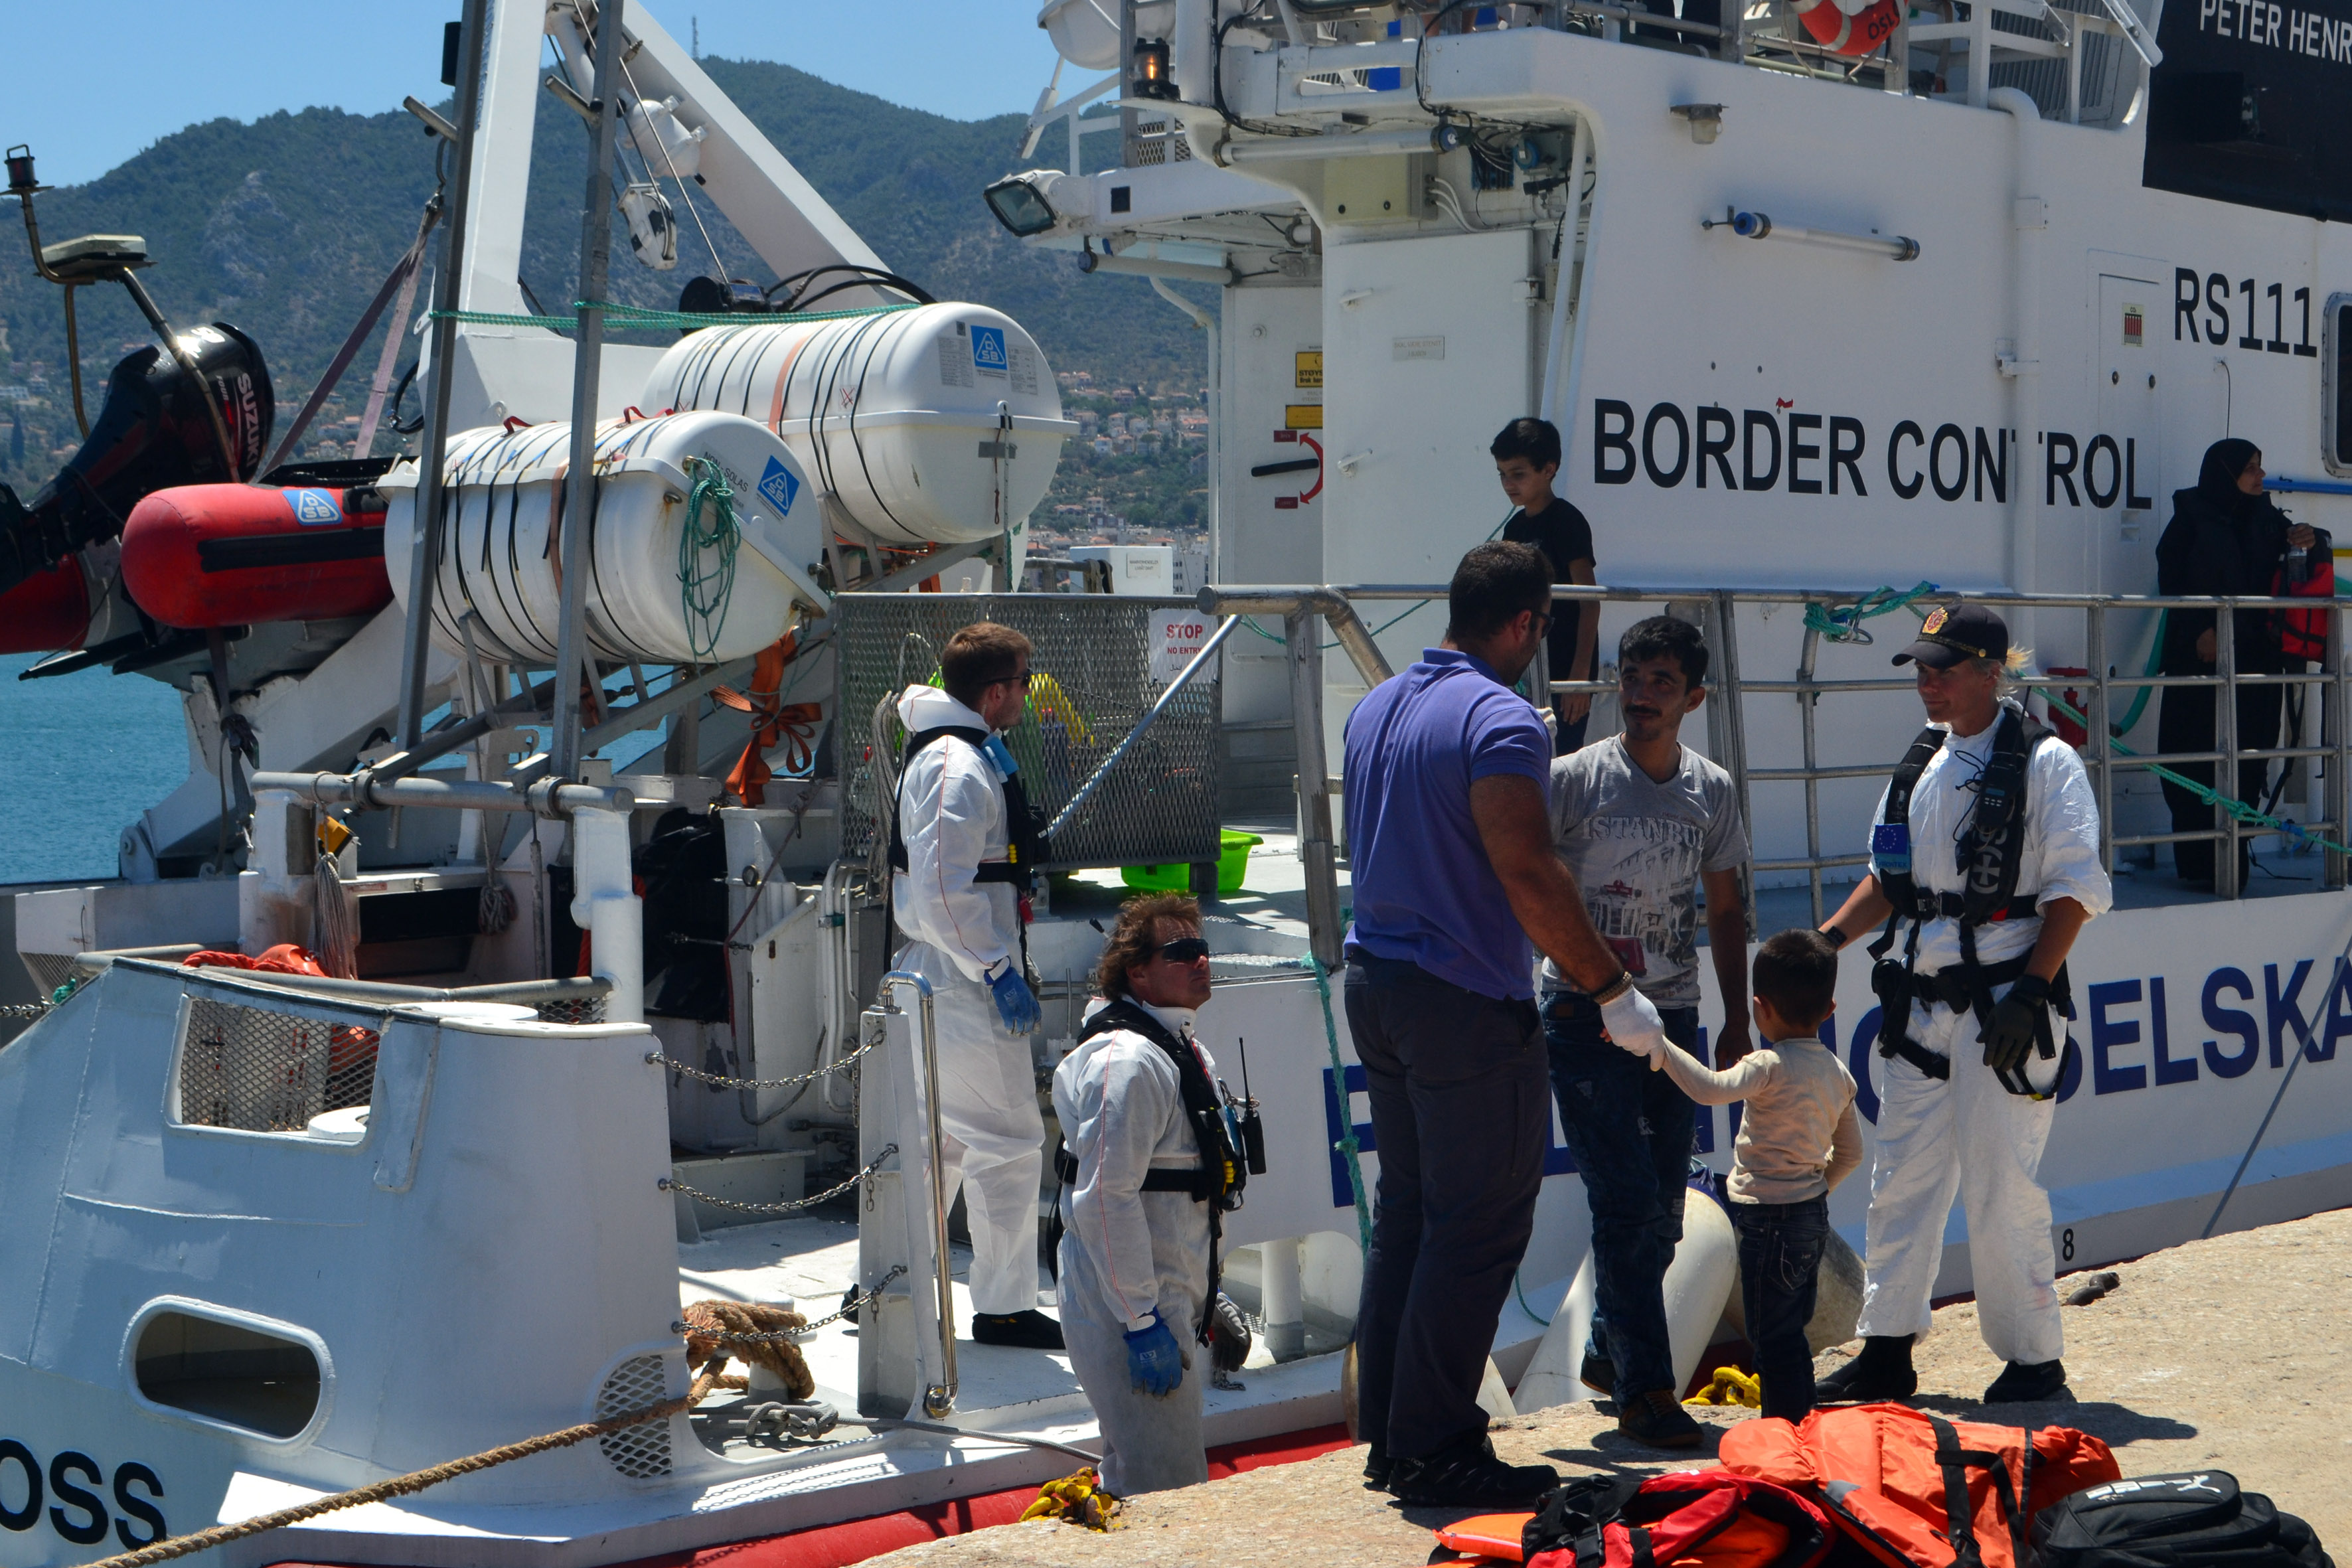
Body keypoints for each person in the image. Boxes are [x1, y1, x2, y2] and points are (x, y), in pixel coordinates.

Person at [1344, 540, 1669, 1508]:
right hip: (1461, 1003)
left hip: (1376, 985)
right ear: (1526, 624)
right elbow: (1526, 869)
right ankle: (1438, 1441)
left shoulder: (1374, 705)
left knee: (1404, 1216)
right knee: (1477, 1224)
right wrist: (1610, 987)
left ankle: (1390, 1437)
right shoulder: (1496, 716)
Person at [1816, 601, 2112, 1405]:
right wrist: (1824, 942)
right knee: (1900, 1176)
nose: (1927, 681)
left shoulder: (2049, 764)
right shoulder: (1919, 763)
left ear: (1993, 670)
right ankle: (1886, 1347)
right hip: (1919, 1008)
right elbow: (1887, 879)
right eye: (1919, 667)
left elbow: (2075, 890)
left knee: (2000, 1181)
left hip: (2005, 1009)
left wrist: (2033, 989)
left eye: (1942, 668)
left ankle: (2032, 1358)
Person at [1542, 614, 1752, 1450]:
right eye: (1632, 677)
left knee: (1665, 1211)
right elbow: (1527, 884)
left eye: (1662, 682)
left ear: (1694, 697)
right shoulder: (1571, 781)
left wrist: (1737, 1018)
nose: (1641, 695)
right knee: (1624, 1201)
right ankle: (1647, 1392)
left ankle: (1606, 1351)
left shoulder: (1713, 790)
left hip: (1676, 1017)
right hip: (1581, 1014)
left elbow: (1728, 909)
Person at [889, 621, 1061, 1350]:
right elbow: (940, 890)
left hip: (944, 974)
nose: (1027, 692)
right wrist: (996, 970)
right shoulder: (959, 767)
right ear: (996, 692)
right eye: (1023, 681)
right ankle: (1004, 1305)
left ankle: (894, 1281)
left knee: (945, 1143)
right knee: (1010, 1141)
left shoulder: (956, 754)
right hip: (963, 982)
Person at [1613, 928, 1861, 1423]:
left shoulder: (1766, 1065)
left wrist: (1657, 1047)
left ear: (1758, 1007)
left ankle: (1786, 1433)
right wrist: (1810, 1196)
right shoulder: (1838, 1074)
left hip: (1766, 1221)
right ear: (1830, 1010)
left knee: (1770, 1337)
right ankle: (1800, 1422)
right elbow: (1850, 1154)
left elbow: (1708, 1089)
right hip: (1811, 1218)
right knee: (1791, 1329)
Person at [1052, 894, 1236, 1498]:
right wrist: (1139, 1320)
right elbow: (1104, 1197)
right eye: (1181, 953)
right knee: (1163, 1482)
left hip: (1166, 1295)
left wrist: (1209, 1295)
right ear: (1136, 970)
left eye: (1203, 950)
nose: (1200, 963)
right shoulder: (1127, 1062)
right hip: (1132, 1303)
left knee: (1158, 1471)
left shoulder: (1181, 1049)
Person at [2156, 439, 2318, 888]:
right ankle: (2196, 868)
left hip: (2254, 666)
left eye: (2259, 468)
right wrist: (2198, 631)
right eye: (2249, 469)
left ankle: (2232, 867)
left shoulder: (2268, 523)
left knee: (2245, 766)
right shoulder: (2190, 518)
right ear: (2224, 474)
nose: (2259, 477)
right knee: (2190, 765)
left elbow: (2299, 559)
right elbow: (2170, 579)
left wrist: (2311, 538)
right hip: (2198, 667)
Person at [1495, 417, 1601, 754]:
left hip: (1567, 662)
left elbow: (1589, 601)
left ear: (1549, 469)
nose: (1509, 483)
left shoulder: (1567, 521)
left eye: (1518, 474)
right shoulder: (1514, 530)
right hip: (1526, 664)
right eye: (1502, 474)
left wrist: (1579, 679)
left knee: (1564, 757)